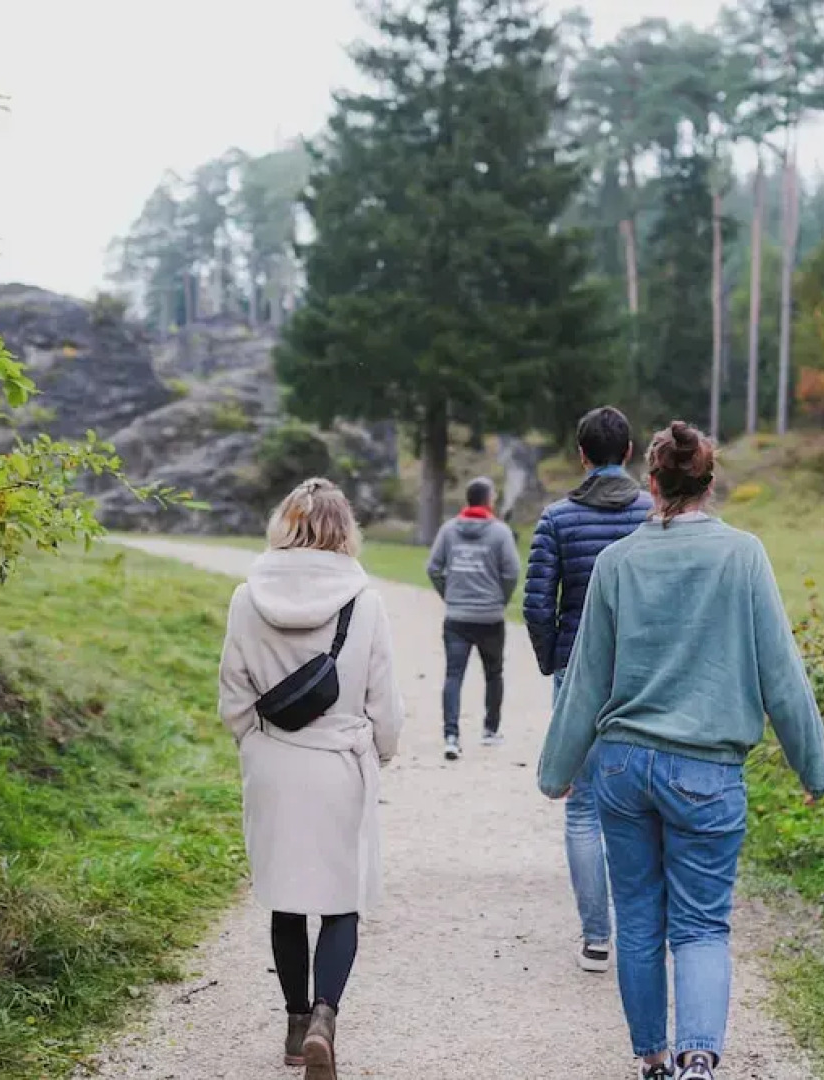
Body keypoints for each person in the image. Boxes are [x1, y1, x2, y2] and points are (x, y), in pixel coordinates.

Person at [535, 422, 824, 1080]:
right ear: (709, 481)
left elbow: (585, 678)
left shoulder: (617, 563)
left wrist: (557, 769)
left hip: (620, 768)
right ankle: (697, 1061)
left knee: (638, 921)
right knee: (700, 926)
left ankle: (651, 1061)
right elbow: (779, 672)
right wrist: (814, 765)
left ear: (651, 484)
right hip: (704, 770)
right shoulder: (742, 555)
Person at [218, 478, 404, 1080]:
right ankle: (327, 1014)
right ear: (344, 529)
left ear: (285, 525)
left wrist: (256, 743)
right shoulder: (365, 601)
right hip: (339, 765)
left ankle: (296, 1026)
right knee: (341, 897)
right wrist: (380, 751)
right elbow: (386, 704)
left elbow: (233, 695)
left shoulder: (247, 598)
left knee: (286, 898)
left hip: (274, 762)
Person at [523, 405, 652, 976]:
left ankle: (596, 938)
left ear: (581, 454)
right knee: (642, 807)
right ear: (628, 452)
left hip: (579, 673)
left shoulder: (556, 518)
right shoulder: (655, 515)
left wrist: (557, 660)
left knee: (582, 811)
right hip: (645, 677)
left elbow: (535, 604)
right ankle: (643, 933)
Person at [426, 476, 520, 760]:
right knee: (494, 673)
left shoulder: (448, 530)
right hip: (490, 617)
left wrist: (449, 595)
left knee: (454, 675)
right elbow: (512, 572)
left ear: (467, 499)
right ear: (489, 500)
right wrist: (500, 599)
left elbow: (434, 568)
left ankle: (451, 736)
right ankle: (490, 730)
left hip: (457, 617)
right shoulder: (500, 533)